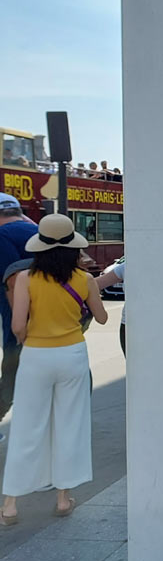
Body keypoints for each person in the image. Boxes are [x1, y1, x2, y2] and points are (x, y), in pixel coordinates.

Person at [0, 214, 107, 525]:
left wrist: (30, 338)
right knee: (70, 424)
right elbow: (100, 318)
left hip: (36, 355)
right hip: (72, 354)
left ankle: (10, 505)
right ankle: (62, 498)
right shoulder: (83, 279)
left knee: (27, 427)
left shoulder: (25, 279)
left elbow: (17, 325)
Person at [0, 195, 37, 422]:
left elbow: (12, 281)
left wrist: (18, 324)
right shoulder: (39, 231)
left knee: (11, 375)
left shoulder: (2, 236)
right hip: (56, 322)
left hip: (20, 321)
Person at [94, 260, 125, 355]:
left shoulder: (128, 266)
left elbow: (93, 285)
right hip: (131, 326)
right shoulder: (127, 266)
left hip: (130, 326)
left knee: (135, 367)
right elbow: (94, 284)